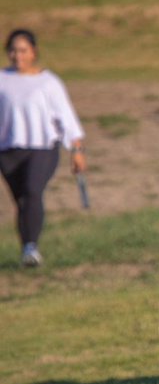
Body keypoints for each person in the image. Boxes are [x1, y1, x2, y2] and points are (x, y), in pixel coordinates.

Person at [0, 29, 86, 268]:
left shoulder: (48, 82)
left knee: (32, 190)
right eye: (14, 50)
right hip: (8, 151)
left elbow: (66, 118)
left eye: (23, 50)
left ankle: (31, 247)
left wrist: (76, 150)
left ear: (34, 52)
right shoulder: (2, 80)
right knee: (22, 201)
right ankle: (27, 247)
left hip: (42, 148)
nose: (18, 56)